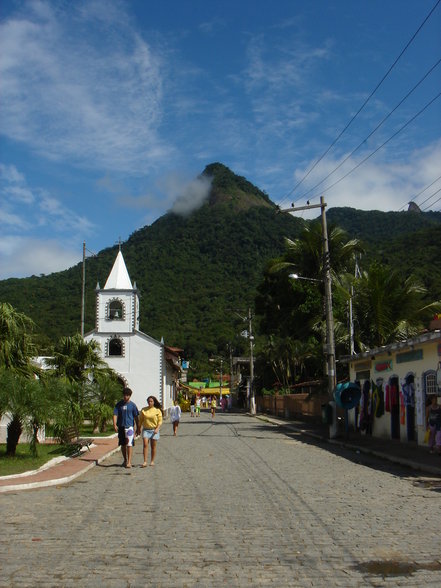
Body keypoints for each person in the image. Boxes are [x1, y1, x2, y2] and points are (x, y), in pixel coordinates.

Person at [113, 387, 139, 469]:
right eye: (124, 395)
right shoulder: (119, 405)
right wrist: (114, 424)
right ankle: (125, 459)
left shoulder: (133, 405)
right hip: (121, 426)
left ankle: (129, 462)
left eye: (127, 395)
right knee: (123, 444)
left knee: (129, 444)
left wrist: (138, 427)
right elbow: (115, 414)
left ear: (130, 396)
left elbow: (136, 417)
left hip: (129, 427)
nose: (125, 397)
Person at [139, 395, 163, 466]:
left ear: (154, 402)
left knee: (153, 446)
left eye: (151, 401)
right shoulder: (144, 410)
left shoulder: (157, 410)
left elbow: (160, 421)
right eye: (149, 401)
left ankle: (152, 461)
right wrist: (138, 428)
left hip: (154, 430)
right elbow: (140, 420)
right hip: (146, 429)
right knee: (145, 444)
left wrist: (157, 428)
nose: (150, 403)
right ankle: (145, 461)